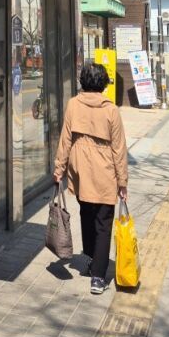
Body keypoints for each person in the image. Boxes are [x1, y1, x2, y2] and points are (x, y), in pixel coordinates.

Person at [53, 62, 128, 296]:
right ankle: (98, 276)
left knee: (86, 214)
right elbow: (119, 149)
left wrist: (59, 169)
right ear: (103, 83)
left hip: (80, 171)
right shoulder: (111, 110)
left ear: (83, 81)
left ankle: (90, 259)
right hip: (104, 170)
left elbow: (65, 139)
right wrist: (122, 181)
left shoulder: (73, 104)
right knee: (103, 222)